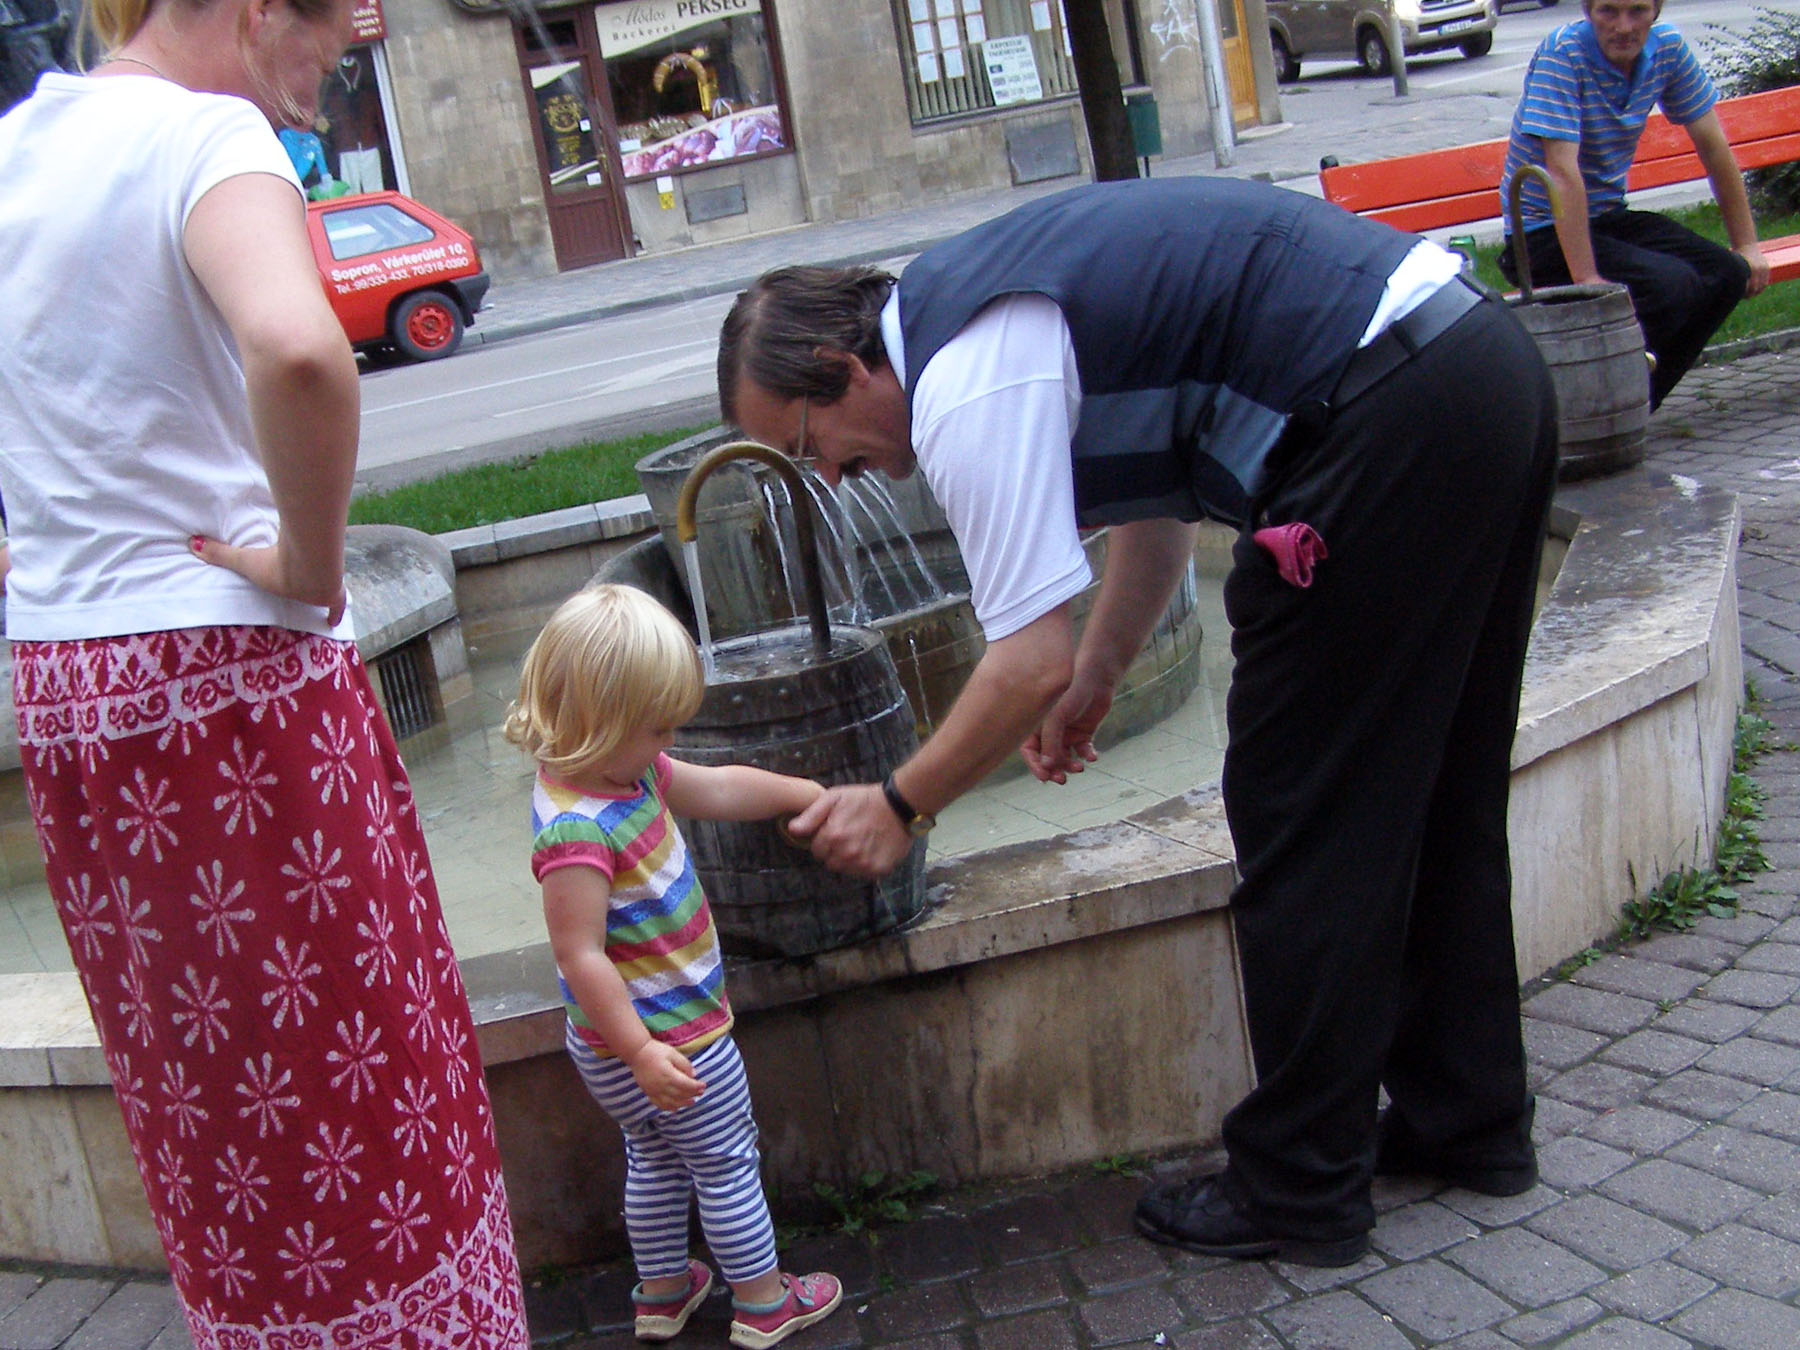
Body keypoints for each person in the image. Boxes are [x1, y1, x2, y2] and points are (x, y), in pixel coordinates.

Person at [717, 176, 1560, 1268]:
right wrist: (1101, 670)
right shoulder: (984, 311)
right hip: (1475, 367)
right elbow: (1157, 508)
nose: (830, 481)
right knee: (1442, 792)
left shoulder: (964, 385)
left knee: (1302, 821)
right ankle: (1469, 1120)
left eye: (806, 449)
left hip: (1378, 418)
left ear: (841, 370)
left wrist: (900, 804)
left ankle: (1302, 1186)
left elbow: (1024, 661)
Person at [0, 0, 529, 1343]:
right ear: (248, 9)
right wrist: (307, 558)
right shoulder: (207, 137)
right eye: (334, 21)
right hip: (237, 697)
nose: (353, 42)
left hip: (71, 703)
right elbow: (299, 349)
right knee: (372, 1099)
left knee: (217, 1121)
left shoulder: (20, 148)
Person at [503, 583, 845, 1348]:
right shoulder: (576, 831)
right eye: (657, 726)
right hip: (670, 1040)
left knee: (654, 1156)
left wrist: (799, 792)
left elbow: (715, 786)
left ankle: (662, 1292)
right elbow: (578, 954)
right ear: (601, 721)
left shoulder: (620, 771)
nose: (669, 739)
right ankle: (763, 1301)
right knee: (725, 1164)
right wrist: (642, 1051)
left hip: (620, 1048)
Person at [1499, 0, 1770, 409]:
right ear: (1587, 11)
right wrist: (1587, 279)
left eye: (1638, 11)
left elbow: (1713, 145)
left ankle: (1635, 405)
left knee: (1727, 273)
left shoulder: (1667, 48)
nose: (1623, 27)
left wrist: (1747, 244)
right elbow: (1562, 171)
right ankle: (1586, 402)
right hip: (1541, 233)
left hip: (1607, 217)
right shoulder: (1564, 53)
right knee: (1669, 285)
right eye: (1608, 11)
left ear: (1656, 11)